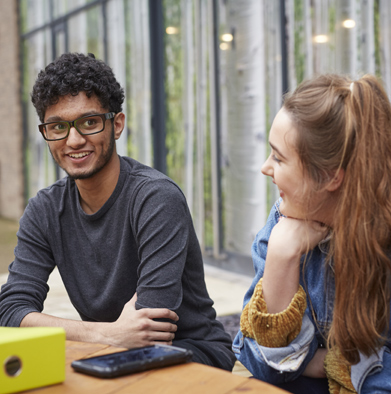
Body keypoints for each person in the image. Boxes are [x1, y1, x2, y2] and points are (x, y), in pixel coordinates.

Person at [0, 52, 235, 371]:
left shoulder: (155, 198)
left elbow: (149, 327)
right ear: (46, 132)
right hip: (111, 351)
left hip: (189, 352)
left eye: (89, 122)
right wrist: (103, 333)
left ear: (117, 124)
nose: (74, 140)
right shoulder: (45, 209)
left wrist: (103, 337)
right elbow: (11, 311)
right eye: (58, 127)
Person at [232, 73, 391, 393]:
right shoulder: (289, 216)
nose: (266, 168)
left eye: (279, 157)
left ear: (331, 178)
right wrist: (280, 259)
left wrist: (332, 365)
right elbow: (258, 361)